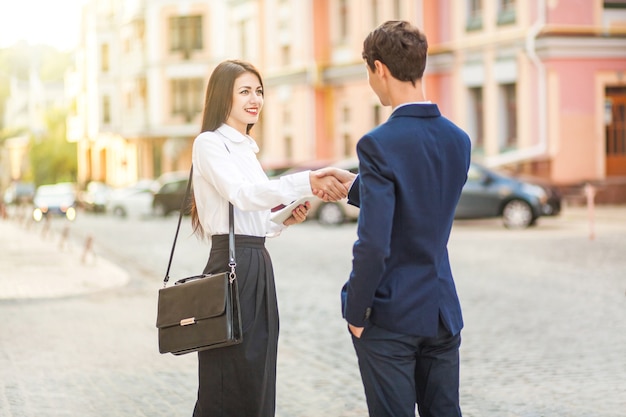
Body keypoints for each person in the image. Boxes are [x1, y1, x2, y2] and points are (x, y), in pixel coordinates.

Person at [189, 59, 350, 417]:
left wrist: (281, 220)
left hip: (256, 263)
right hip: (230, 267)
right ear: (222, 96)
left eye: (259, 91)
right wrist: (307, 180)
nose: (255, 99)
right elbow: (243, 195)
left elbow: (253, 219)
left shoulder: (246, 148)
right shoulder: (210, 144)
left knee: (257, 372)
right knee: (226, 375)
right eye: (245, 91)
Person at [339, 21, 472, 417]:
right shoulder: (458, 140)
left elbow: (375, 243)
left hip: (390, 316)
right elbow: (423, 202)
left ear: (379, 68)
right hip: (441, 311)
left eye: (368, 72)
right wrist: (354, 186)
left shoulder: (378, 144)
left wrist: (356, 312)